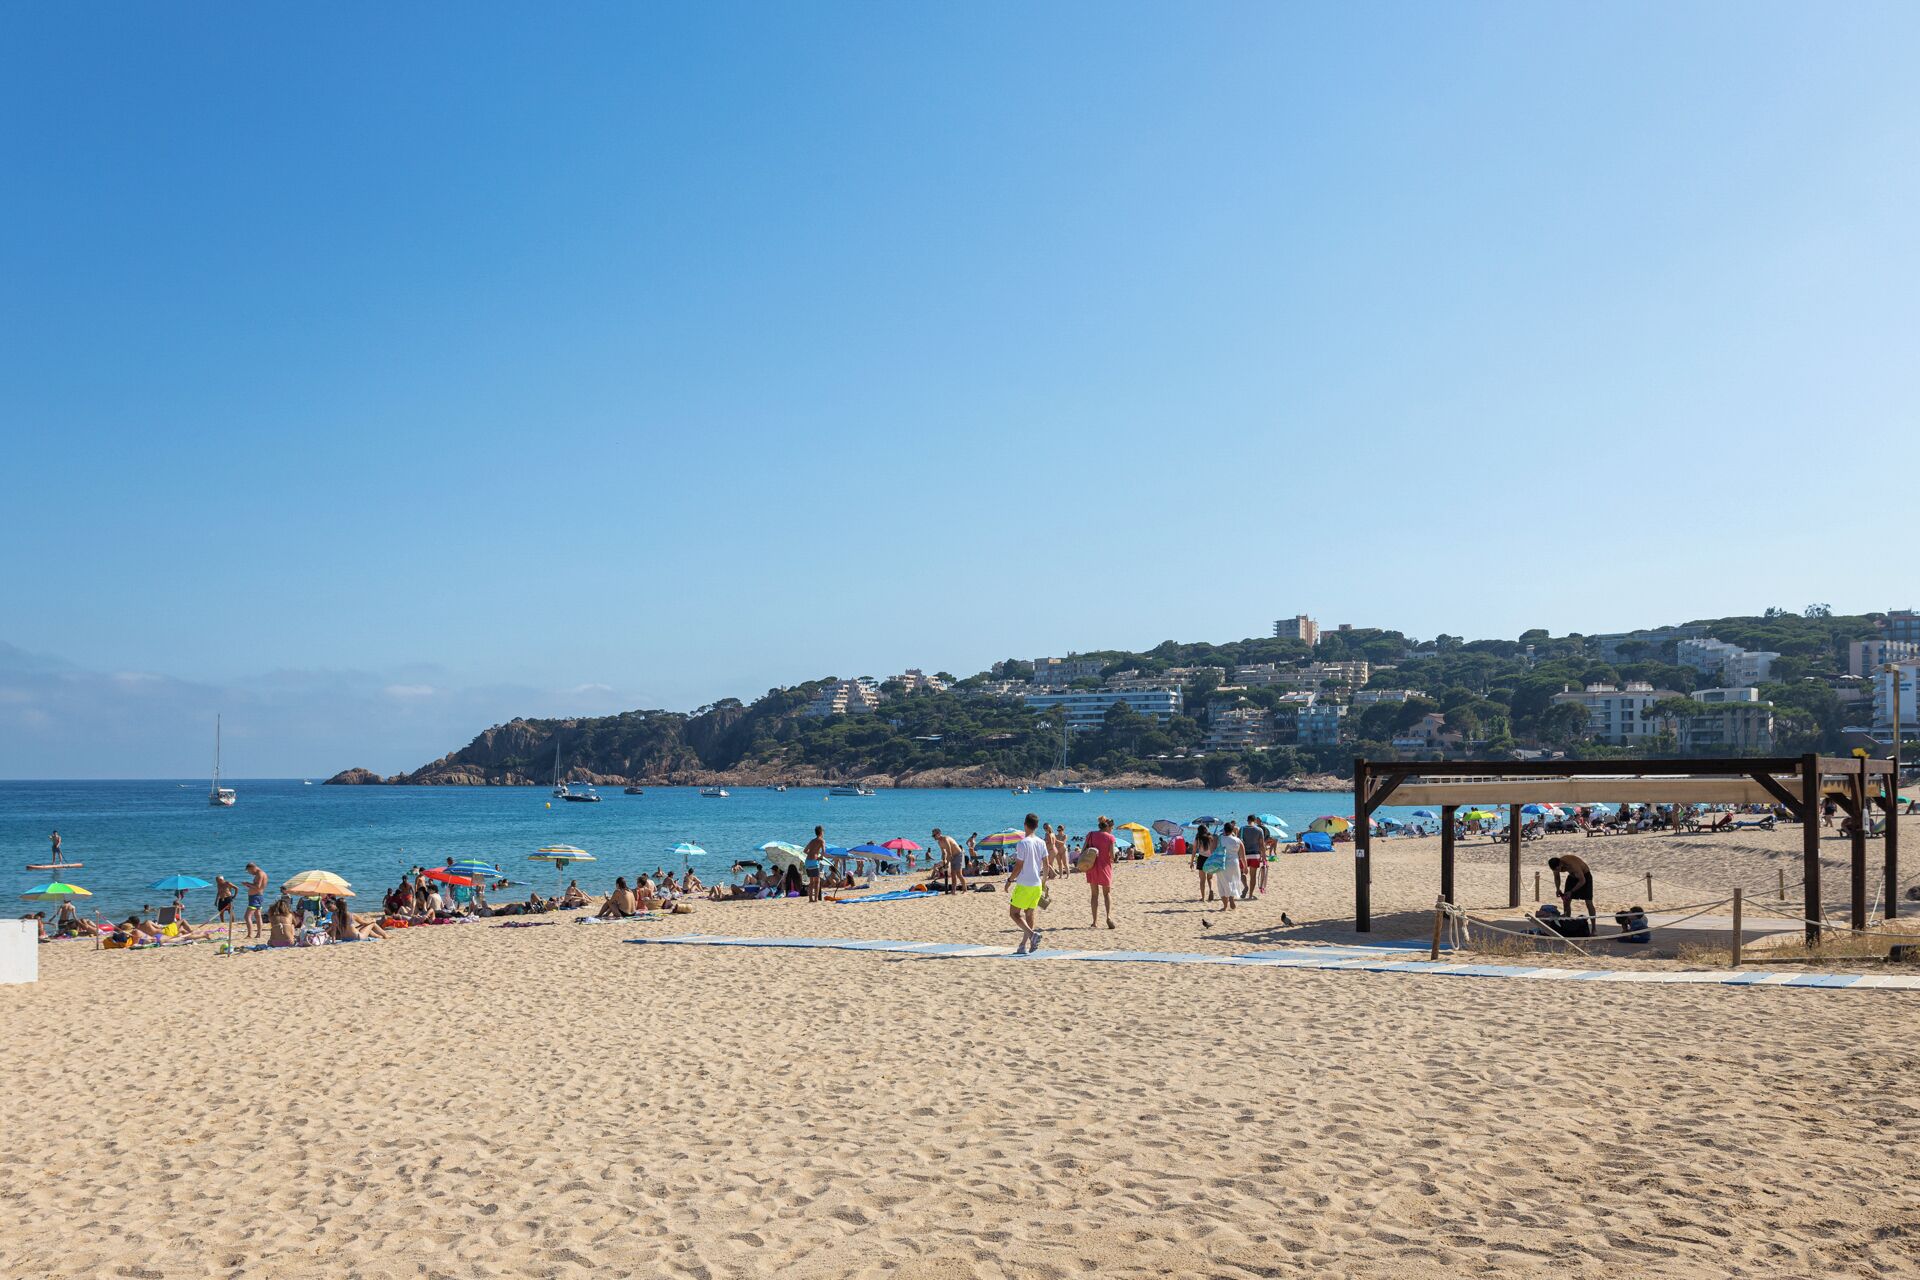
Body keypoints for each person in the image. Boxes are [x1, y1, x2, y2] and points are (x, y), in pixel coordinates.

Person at [1006, 813, 1050, 953]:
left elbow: (1018, 866)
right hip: (1037, 883)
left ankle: (1032, 935)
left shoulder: (1022, 843)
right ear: (1037, 826)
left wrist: (1009, 880)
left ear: (1025, 825)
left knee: (1014, 913)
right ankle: (1023, 946)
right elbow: (1047, 865)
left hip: (1024, 884)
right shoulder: (1041, 842)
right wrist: (1044, 882)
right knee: (1029, 914)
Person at [1082, 816, 1117, 929]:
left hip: (1091, 866)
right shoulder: (1110, 838)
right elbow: (1112, 856)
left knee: (1094, 895)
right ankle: (1108, 917)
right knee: (1106, 894)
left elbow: (1083, 850)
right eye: (1112, 827)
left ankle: (1094, 922)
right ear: (1108, 826)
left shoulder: (1091, 834)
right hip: (1105, 867)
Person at [1548, 854, 1596, 921]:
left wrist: (1571, 891)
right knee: (1566, 901)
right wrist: (1558, 889)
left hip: (1585, 876)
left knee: (1588, 902)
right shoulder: (1555, 867)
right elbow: (1557, 878)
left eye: (1558, 869)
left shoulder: (1572, 865)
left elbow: (1582, 880)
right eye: (1555, 870)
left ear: (1560, 864)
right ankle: (1567, 923)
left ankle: (1594, 929)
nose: (1557, 871)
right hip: (1572, 876)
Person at [1212, 822, 1244, 915]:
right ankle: (1231, 898)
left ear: (1224, 830)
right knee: (1233, 881)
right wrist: (1245, 866)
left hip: (1222, 863)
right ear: (1232, 830)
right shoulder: (1238, 840)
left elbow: (1213, 850)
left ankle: (1225, 906)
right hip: (1234, 863)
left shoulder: (1220, 838)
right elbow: (1242, 855)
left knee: (1222, 883)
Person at [1240, 816, 1266, 900]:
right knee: (1253, 876)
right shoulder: (1259, 830)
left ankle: (1245, 886)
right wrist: (1264, 856)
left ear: (1247, 820)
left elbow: (1238, 843)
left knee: (1242, 873)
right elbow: (1262, 845)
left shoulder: (1242, 829)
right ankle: (1250, 895)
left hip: (1244, 855)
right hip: (1255, 855)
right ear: (1254, 820)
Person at [242, 862, 268, 939]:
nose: (250, 873)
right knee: (257, 916)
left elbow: (257, 887)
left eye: (249, 871)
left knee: (247, 916)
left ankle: (250, 935)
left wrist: (247, 884)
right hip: (258, 896)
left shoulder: (260, 874)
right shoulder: (261, 873)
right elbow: (258, 887)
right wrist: (249, 885)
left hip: (255, 897)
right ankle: (258, 934)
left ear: (252, 868)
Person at [1192, 824, 1214, 903]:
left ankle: (1203, 897)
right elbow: (1213, 849)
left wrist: (1191, 862)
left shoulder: (1198, 839)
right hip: (1210, 859)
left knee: (1202, 880)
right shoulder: (1210, 838)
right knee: (1209, 878)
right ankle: (1211, 890)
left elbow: (1194, 850)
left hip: (1201, 859)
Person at [804, 826, 826, 903]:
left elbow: (805, 850)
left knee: (811, 881)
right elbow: (823, 851)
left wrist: (812, 854)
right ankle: (816, 899)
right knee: (817, 881)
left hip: (807, 862)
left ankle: (810, 899)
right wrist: (820, 857)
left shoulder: (812, 841)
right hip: (814, 861)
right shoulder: (822, 841)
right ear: (821, 832)